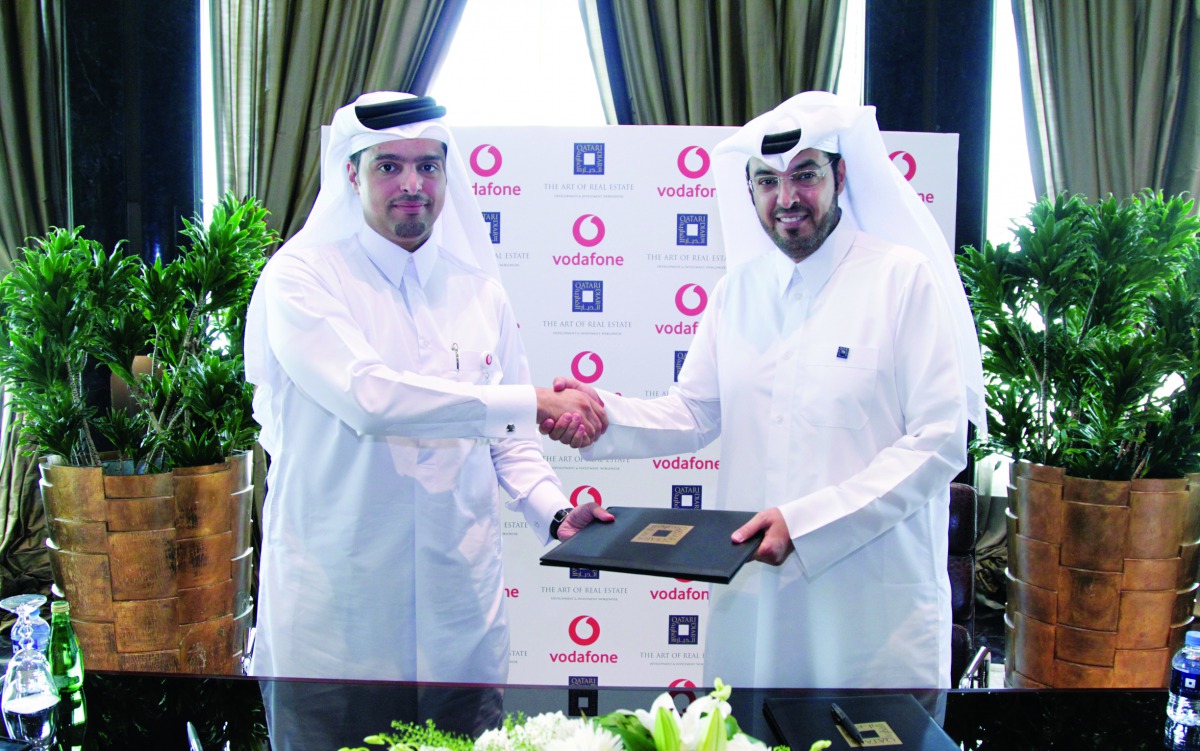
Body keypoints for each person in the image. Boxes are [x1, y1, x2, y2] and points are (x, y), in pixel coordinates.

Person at [544, 91, 986, 688]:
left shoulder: (902, 279)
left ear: (840, 175)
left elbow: (938, 443)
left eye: (804, 174)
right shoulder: (737, 292)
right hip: (752, 586)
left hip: (869, 606)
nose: (786, 199)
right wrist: (602, 416)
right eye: (766, 181)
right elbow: (694, 412)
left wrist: (805, 523)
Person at [243, 91, 611, 690]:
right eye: (388, 165)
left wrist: (557, 512)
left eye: (427, 166)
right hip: (336, 629)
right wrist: (535, 402)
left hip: (460, 622)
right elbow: (371, 398)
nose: (411, 183)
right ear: (351, 174)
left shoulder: (480, 292)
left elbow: (508, 441)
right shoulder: (301, 279)